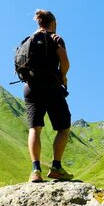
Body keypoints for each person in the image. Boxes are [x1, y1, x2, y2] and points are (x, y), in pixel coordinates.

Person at [24, 9, 74, 183]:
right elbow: (65, 62)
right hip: (51, 86)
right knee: (63, 127)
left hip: (30, 87)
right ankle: (56, 167)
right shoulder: (55, 38)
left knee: (34, 128)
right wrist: (62, 75)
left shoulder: (29, 40)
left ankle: (35, 170)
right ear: (53, 23)